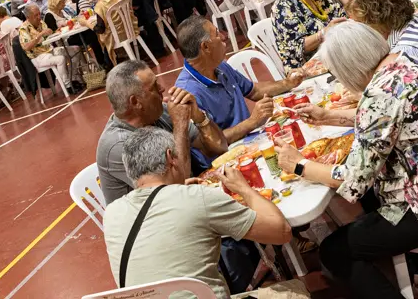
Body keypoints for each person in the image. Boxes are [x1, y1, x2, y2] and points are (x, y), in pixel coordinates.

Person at [274, 21, 418, 299]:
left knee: (334, 252)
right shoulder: (406, 62)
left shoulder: (379, 97)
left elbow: (353, 181)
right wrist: (328, 116)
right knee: (373, 195)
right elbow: (391, 120)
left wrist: (299, 165)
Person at [103, 127, 290, 299]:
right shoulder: (197, 197)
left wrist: (177, 191)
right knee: (292, 290)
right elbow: (281, 232)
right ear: (171, 157)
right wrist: (244, 188)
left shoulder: (112, 213)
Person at [96, 60, 227, 202]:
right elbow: (176, 189)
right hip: (155, 217)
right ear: (135, 102)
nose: (162, 88)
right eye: (154, 87)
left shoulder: (159, 112)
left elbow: (219, 147)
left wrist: (199, 117)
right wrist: (180, 123)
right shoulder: (120, 144)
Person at [175, 16, 302, 145]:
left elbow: (254, 91)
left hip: (253, 138)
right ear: (206, 47)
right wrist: (252, 122)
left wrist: (288, 83)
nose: (224, 37)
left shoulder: (218, 65)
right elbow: (212, 144)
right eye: (217, 34)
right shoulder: (188, 93)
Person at [18, 3, 83, 92]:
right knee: (60, 59)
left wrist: (58, 30)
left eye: (39, 14)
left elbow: (49, 37)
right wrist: (40, 35)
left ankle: (73, 78)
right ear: (28, 17)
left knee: (75, 49)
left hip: (50, 50)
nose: (38, 17)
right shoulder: (23, 28)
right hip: (38, 57)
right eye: (35, 15)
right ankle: (67, 86)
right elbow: (26, 47)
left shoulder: (41, 22)